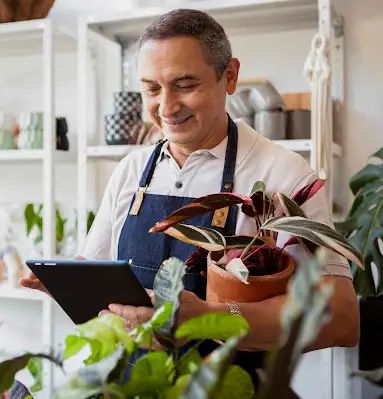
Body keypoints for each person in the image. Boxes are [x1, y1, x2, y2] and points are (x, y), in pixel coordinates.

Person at [20, 8, 359, 387]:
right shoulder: (130, 171)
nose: (166, 107)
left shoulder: (285, 176)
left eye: (185, 85)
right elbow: (99, 270)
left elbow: (341, 317)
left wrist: (210, 315)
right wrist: (71, 283)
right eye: (151, 88)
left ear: (229, 76)